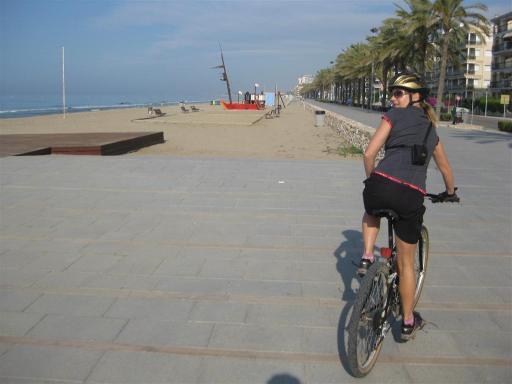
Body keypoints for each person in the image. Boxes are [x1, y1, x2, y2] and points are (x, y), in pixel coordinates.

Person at [357, 72, 459, 341]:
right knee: (405, 264)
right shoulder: (431, 131)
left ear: (415, 97)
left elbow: (369, 153)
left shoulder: (393, 115)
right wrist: (450, 193)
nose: (393, 97)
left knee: (372, 207)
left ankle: (367, 256)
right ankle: (408, 322)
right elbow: (445, 168)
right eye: (393, 93)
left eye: (398, 93)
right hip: (410, 195)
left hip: (381, 184)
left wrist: (373, 181)